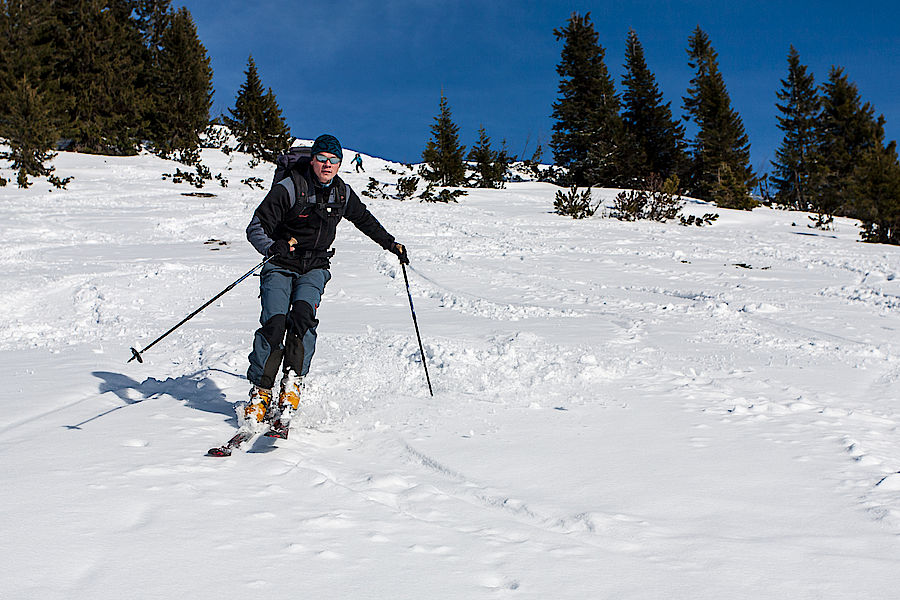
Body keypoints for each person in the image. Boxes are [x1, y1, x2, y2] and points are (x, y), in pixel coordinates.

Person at [244, 134, 408, 432]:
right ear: (313, 159)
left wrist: (391, 244)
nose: (327, 165)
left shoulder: (342, 193)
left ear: (340, 163)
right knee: (275, 323)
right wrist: (271, 247)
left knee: (302, 321)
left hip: (315, 267)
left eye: (334, 160)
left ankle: (291, 387)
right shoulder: (290, 187)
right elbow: (256, 226)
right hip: (280, 265)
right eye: (322, 159)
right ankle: (260, 392)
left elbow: (365, 220)